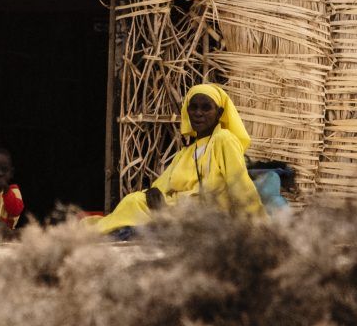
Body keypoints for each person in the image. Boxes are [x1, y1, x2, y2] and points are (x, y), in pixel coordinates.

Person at [95, 83, 265, 234]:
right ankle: (99, 231)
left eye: (206, 108)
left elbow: (240, 183)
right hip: (180, 208)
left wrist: (257, 225)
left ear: (219, 113)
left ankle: (98, 232)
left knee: (134, 205)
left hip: (209, 213)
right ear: (187, 111)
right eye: (193, 107)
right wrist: (153, 193)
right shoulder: (187, 152)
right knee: (134, 200)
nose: (198, 113)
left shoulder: (224, 139)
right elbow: (162, 185)